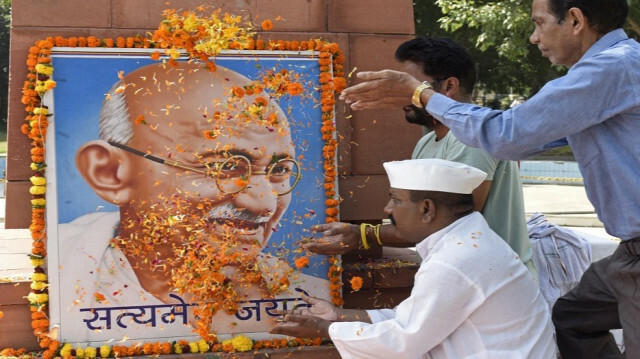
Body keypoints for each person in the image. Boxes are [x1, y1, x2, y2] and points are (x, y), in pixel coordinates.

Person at [338, 0, 640, 357]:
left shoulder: (613, 67)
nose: (533, 37)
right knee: (572, 316)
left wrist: (420, 94)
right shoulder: (606, 72)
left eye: (540, 24)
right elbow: (519, 139)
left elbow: (505, 137)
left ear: (575, 20)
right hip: (629, 252)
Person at [57, 61, 329, 342]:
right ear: (110, 173)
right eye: (225, 167)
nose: (264, 205)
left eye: (280, 170)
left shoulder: (311, 302)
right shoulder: (62, 275)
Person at [271, 158, 555, 358]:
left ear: (427, 209)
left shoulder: (456, 259)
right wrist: (339, 315)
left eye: (395, 200)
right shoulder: (468, 240)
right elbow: (415, 320)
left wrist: (326, 329)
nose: (386, 208)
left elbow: (403, 341)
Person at [307, 37, 536, 279]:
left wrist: (363, 234)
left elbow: (444, 222)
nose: (401, 98)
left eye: (410, 88)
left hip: (493, 284)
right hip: (461, 280)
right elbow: (417, 217)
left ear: (449, 86)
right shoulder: (428, 141)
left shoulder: (469, 137)